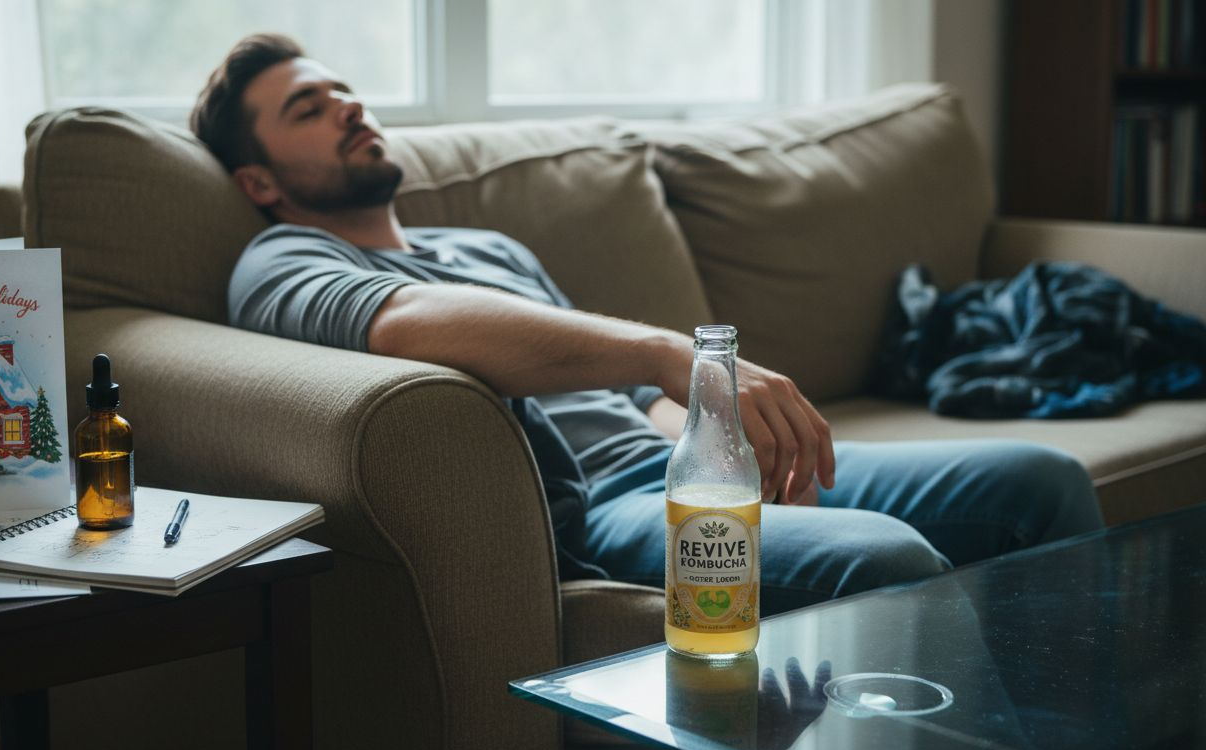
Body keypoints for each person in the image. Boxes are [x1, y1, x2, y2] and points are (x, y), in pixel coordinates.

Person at [191, 34, 1103, 614]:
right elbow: (407, 322)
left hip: (675, 467)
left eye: (343, 90)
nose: (348, 107)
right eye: (309, 109)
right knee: (885, 557)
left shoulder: (485, 247)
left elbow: (635, 404)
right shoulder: (283, 261)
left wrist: (733, 453)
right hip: (599, 509)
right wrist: (671, 353)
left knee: (1043, 481)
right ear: (259, 181)